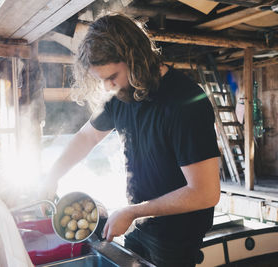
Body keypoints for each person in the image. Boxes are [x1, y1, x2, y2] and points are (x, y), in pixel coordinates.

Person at [44, 13, 220, 267]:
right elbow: (87, 136)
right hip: (138, 222)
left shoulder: (186, 102)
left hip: (176, 235)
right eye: (101, 79)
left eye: (112, 76)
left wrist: (134, 211)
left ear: (135, 59)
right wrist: (52, 176)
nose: (107, 87)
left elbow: (205, 192)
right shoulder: (122, 93)